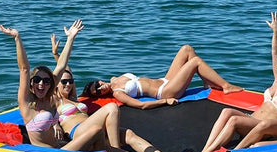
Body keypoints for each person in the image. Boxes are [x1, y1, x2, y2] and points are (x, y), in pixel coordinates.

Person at [200, 12, 277, 152]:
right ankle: (205, 148)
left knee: (234, 121)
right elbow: (275, 54)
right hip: (251, 118)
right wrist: (275, 31)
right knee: (227, 111)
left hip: (262, 128)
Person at [51, 33, 163, 152]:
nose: (68, 84)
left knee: (129, 134)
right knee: (111, 107)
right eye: (64, 82)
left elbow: (66, 69)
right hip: (78, 131)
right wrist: (55, 125)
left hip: (95, 128)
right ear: (56, 84)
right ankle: (116, 151)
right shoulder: (56, 99)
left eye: (70, 81)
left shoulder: (74, 97)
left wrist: (57, 54)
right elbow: (45, 110)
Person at [0, 20, 99, 150]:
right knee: (95, 129)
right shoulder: (26, 102)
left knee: (98, 137)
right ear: (31, 83)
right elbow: (24, 69)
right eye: (37, 80)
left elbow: (61, 65)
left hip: (59, 146)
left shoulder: (48, 97)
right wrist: (17, 38)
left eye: (46, 81)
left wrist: (70, 38)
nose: (41, 84)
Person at [80, 44, 244, 110]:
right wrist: (165, 101)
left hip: (165, 80)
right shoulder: (117, 92)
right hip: (165, 92)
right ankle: (226, 86)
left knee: (186, 49)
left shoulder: (114, 79)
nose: (101, 88)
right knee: (195, 62)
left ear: (99, 80)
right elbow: (140, 105)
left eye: (98, 85)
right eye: (99, 92)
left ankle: (207, 82)